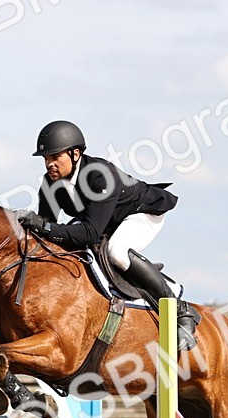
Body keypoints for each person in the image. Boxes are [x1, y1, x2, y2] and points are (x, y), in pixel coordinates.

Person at [14, 120, 201, 352]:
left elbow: (89, 233)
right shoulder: (50, 183)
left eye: (55, 157)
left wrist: (44, 227)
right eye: (45, 159)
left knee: (117, 252)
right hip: (104, 222)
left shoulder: (99, 176)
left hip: (140, 213)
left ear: (75, 154)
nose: (49, 164)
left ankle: (181, 311)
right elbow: (49, 229)